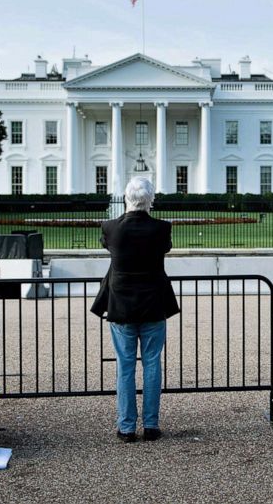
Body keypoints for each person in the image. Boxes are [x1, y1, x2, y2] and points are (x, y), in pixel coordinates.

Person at [90, 176, 180, 443]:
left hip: (121, 306)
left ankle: (127, 427)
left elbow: (108, 246)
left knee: (125, 366)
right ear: (150, 200)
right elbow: (165, 249)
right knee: (152, 364)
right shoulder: (162, 228)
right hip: (153, 304)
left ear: (126, 198)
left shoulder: (110, 227)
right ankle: (151, 426)